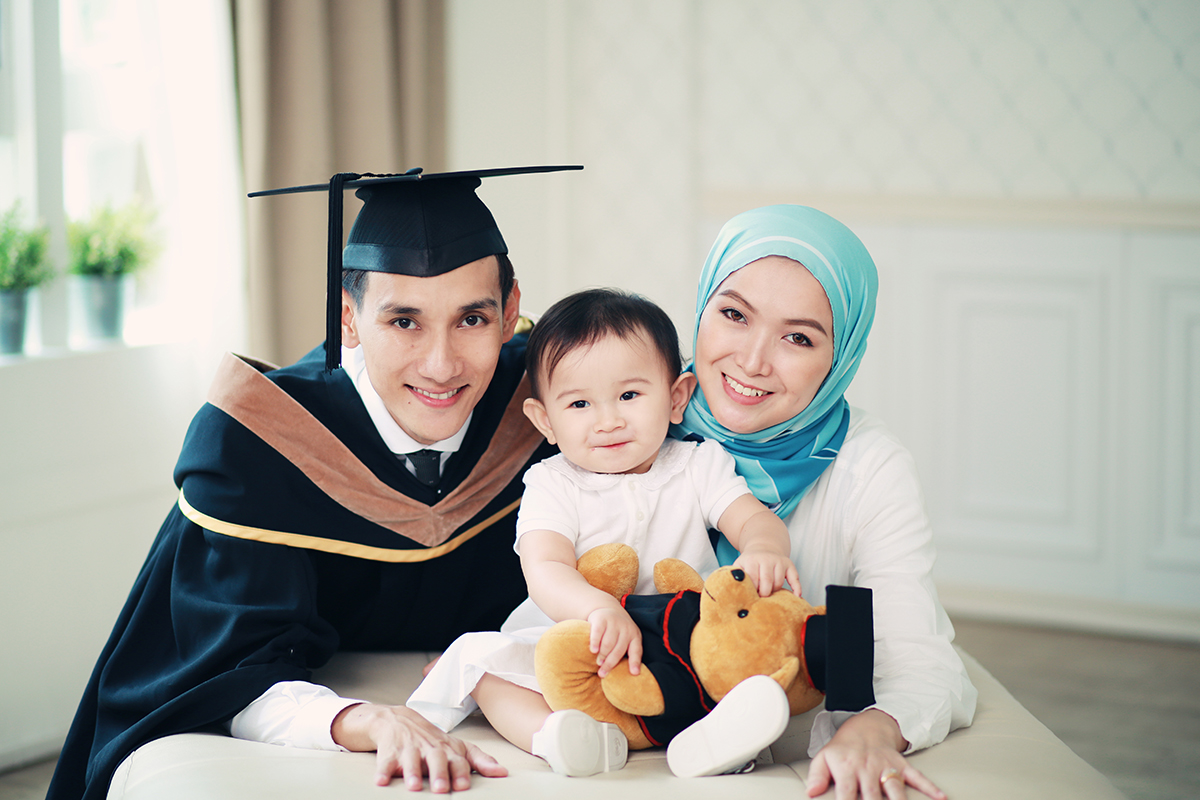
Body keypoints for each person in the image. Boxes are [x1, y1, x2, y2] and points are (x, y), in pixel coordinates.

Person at [46, 166, 581, 800]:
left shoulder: (551, 405)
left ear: (511, 312)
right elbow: (224, 672)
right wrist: (362, 717)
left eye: (471, 320)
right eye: (403, 321)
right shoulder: (259, 443)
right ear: (348, 318)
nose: (441, 366)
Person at [406, 287, 801, 777]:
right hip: (581, 646)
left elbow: (753, 518)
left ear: (677, 398)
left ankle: (718, 741)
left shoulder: (698, 465)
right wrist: (596, 609)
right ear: (545, 420)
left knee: (742, 659)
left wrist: (765, 547)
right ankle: (559, 736)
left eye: (630, 395)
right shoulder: (552, 483)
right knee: (483, 667)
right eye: (579, 405)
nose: (608, 420)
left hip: (680, 642)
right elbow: (544, 567)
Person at [671, 205, 978, 799]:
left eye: (797, 337)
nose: (753, 360)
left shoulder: (868, 467)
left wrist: (874, 729)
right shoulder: (633, 420)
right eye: (734, 314)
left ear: (839, 360)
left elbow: (921, 663)